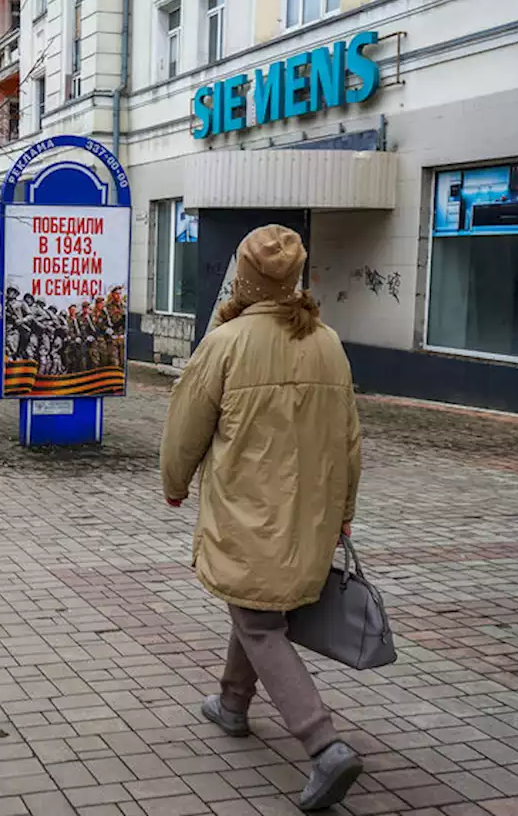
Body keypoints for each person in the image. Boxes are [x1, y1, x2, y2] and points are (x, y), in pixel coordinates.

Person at [160, 225, 364, 813]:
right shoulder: (328, 341)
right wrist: (344, 513)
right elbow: (351, 440)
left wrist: (175, 486)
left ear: (243, 278)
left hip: (249, 509)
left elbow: (185, 427)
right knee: (254, 607)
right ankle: (231, 703)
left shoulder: (226, 342)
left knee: (258, 620)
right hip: (313, 511)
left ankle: (324, 744)